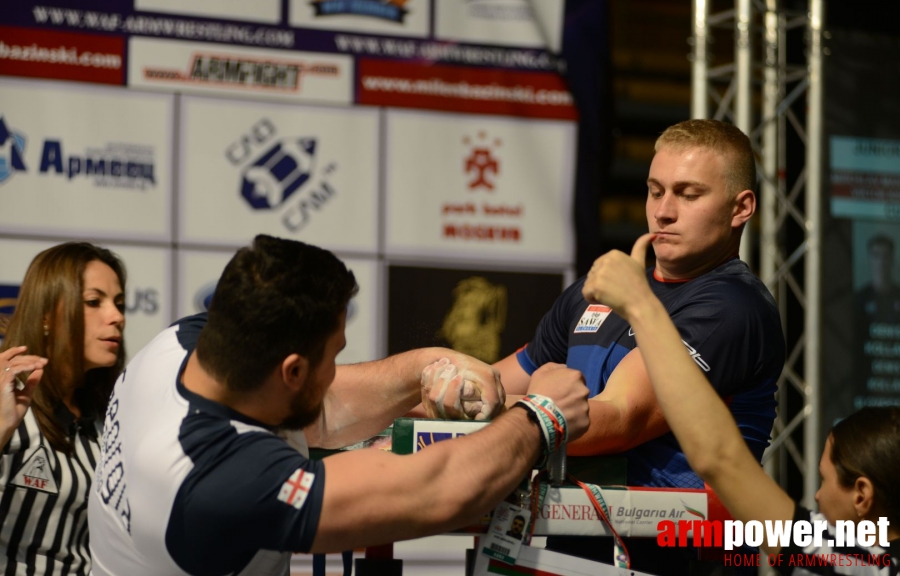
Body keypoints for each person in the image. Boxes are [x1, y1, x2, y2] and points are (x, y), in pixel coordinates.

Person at [88, 235, 590, 576]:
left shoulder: (182, 345)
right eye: (333, 357)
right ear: (292, 371)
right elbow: (438, 492)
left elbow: (321, 411)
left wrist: (429, 366)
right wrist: (544, 415)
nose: (334, 372)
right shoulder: (219, 481)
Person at [493, 119, 785, 570]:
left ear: (740, 207)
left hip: (673, 560)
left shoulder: (733, 305)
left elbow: (620, 419)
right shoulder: (602, 288)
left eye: (689, 194)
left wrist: (480, 415)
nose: (663, 211)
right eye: (655, 190)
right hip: (573, 548)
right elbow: (500, 379)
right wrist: (439, 386)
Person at [585, 233, 899, 574]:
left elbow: (720, 458)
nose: (818, 498)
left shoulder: (862, 567)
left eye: (824, 480)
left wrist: (641, 306)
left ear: (862, 495)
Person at [0, 242, 127, 575]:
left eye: (119, 303)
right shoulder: (4, 396)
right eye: (93, 302)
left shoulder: (109, 419)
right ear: (46, 315)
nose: (117, 317)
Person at [854, 233, 900, 408]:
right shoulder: (858, 300)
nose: (881, 262)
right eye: (876, 255)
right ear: (869, 259)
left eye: (886, 256)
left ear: (892, 260)